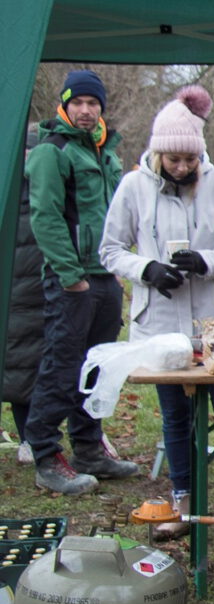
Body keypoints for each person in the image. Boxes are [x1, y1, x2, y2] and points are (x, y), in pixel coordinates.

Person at [100, 85, 214, 539]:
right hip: (160, 324)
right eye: (174, 160)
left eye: (190, 159)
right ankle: (183, 498)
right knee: (175, 414)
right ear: (157, 155)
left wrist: (207, 261)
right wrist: (146, 268)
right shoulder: (133, 187)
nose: (183, 168)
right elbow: (110, 250)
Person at [22, 70, 137, 495]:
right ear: (65, 106)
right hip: (71, 279)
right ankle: (46, 454)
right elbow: (46, 218)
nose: (86, 111)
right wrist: (71, 277)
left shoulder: (106, 155)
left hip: (105, 275)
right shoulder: (52, 152)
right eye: (79, 104)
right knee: (63, 364)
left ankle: (90, 448)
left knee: (98, 365)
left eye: (93, 104)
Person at [3, 125, 44, 464]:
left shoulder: (51, 189)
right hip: (16, 291)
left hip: (48, 288)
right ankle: (27, 436)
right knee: (20, 364)